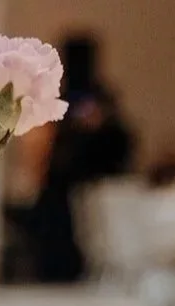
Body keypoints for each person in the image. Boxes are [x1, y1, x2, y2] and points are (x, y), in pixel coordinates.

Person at [22, 32, 136, 282]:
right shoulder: (63, 96)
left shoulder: (97, 100)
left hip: (89, 181)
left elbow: (118, 142)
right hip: (64, 186)